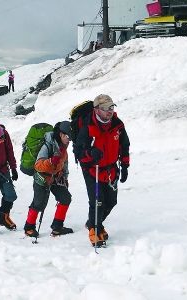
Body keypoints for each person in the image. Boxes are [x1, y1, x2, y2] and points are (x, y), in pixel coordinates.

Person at [74, 94, 130, 246]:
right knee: (97, 201)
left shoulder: (117, 124)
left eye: (112, 107)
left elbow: (124, 146)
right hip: (92, 169)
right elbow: (78, 152)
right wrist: (90, 154)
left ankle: (93, 222)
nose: (110, 111)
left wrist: (124, 166)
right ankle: (94, 229)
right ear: (97, 110)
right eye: (106, 108)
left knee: (111, 201)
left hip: (111, 169)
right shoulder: (87, 127)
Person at [24, 121, 74, 238]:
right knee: (38, 203)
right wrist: (51, 161)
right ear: (61, 134)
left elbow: (64, 162)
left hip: (56, 177)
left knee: (65, 198)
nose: (69, 140)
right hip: (42, 178)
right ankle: (29, 227)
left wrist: (65, 177)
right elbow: (38, 165)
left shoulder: (63, 145)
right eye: (68, 137)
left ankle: (57, 227)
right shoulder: (47, 145)